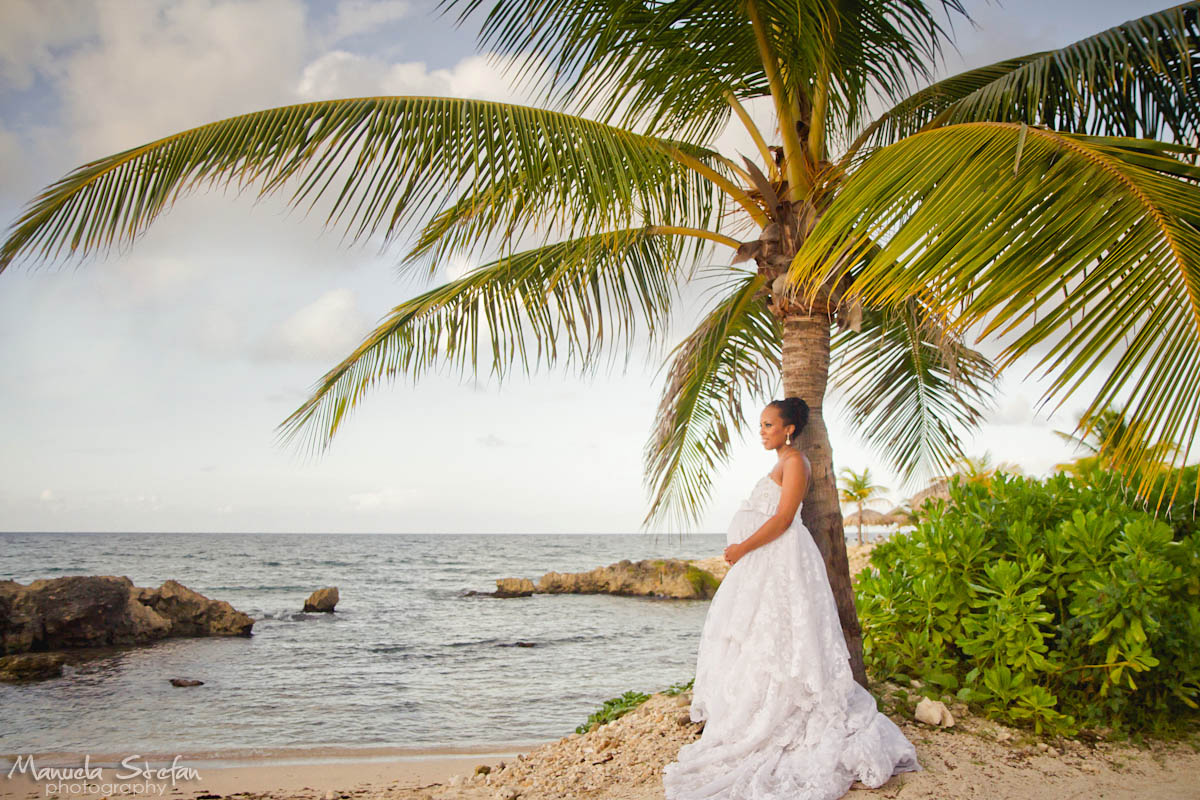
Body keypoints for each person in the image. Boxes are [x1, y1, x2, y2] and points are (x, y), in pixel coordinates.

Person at [662, 396, 921, 800]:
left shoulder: (796, 462)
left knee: (780, 638)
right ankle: (746, 713)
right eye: (761, 424)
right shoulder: (782, 462)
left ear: (789, 429)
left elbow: (783, 519)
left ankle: (780, 717)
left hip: (779, 561)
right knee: (757, 637)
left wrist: (741, 548)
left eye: (768, 425)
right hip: (766, 565)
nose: (761, 431)